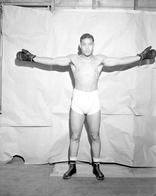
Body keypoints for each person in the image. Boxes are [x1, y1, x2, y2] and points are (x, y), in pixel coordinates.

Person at [16, 33, 156, 180]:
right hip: (78, 100)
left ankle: (96, 166)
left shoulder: (99, 59)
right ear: (80, 45)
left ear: (93, 45)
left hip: (93, 100)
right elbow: (53, 61)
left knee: (95, 136)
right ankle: (72, 166)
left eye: (90, 44)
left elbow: (120, 61)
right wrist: (33, 58)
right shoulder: (74, 59)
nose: (87, 47)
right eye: (84, 44)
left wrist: (140, 56)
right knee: (75, 136)